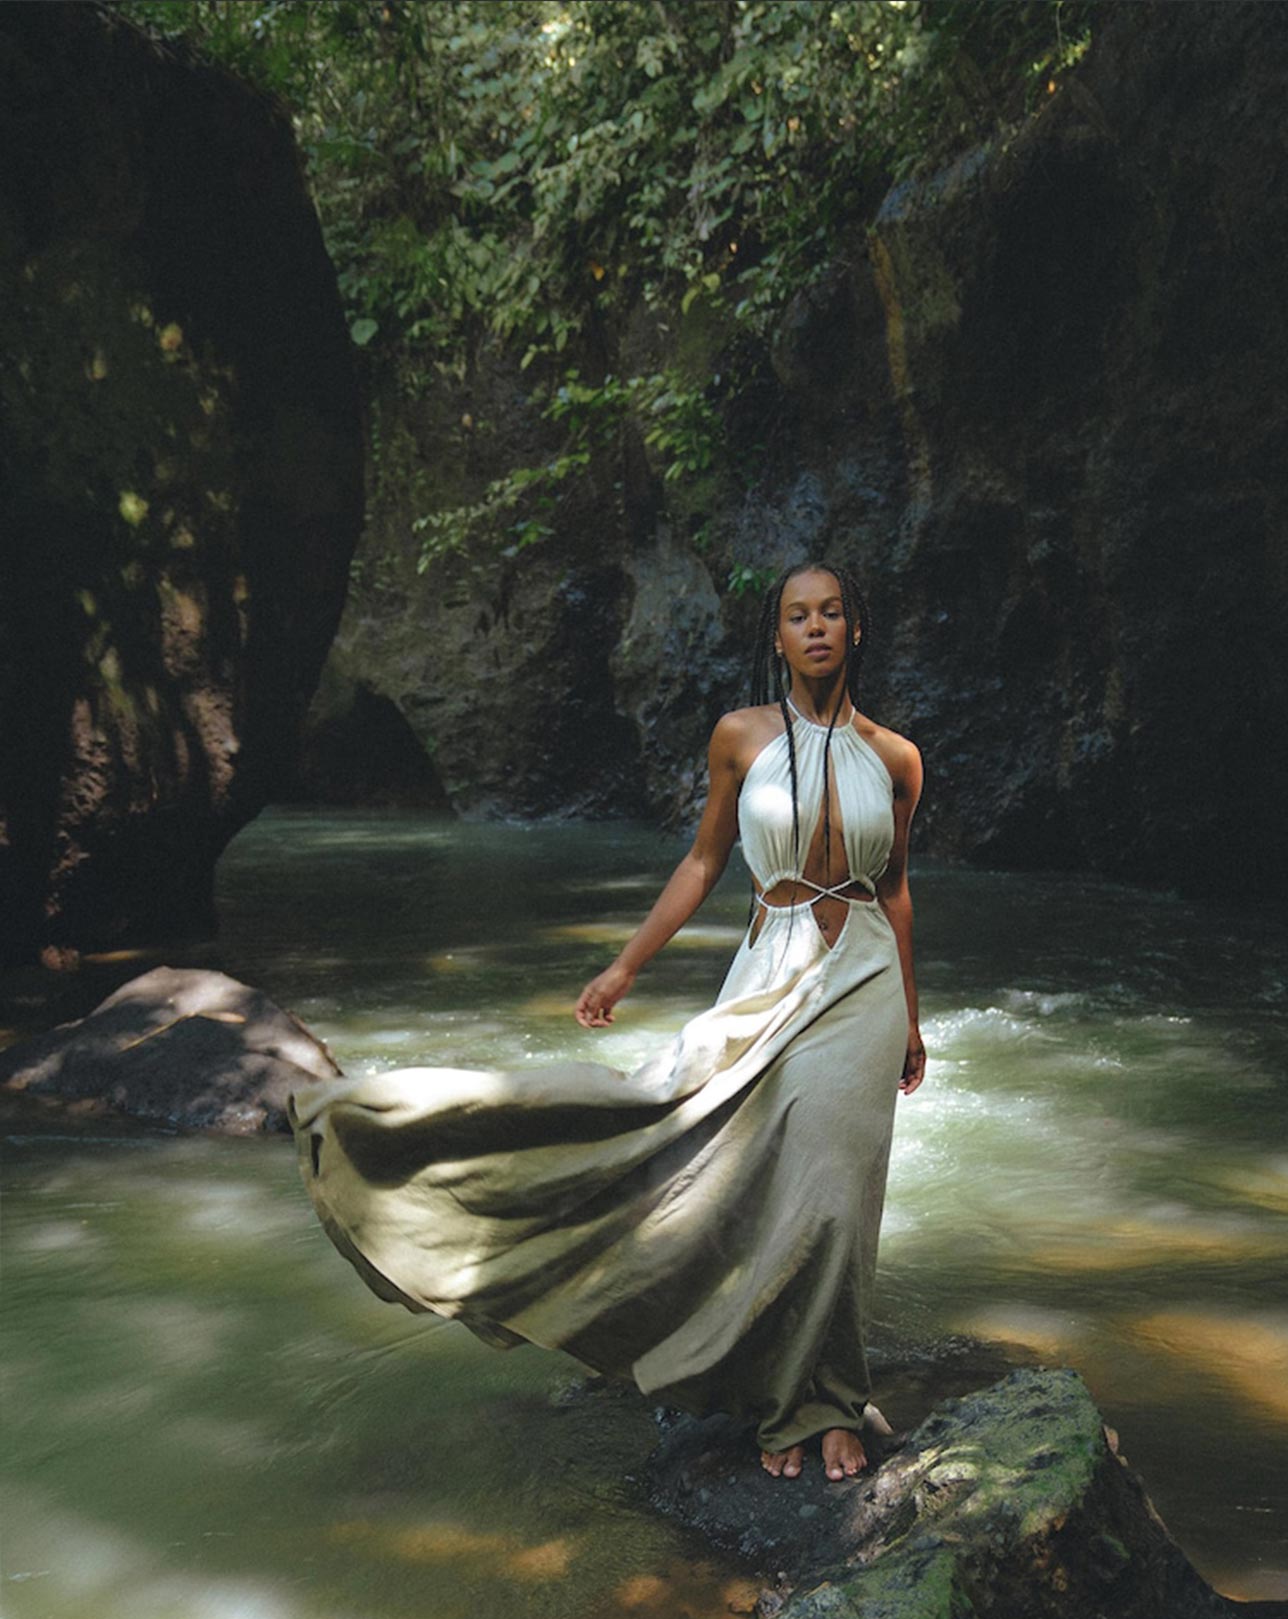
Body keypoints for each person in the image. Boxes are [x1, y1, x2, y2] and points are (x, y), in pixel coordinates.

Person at [288, 560, 924, 1483]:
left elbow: (897, 889)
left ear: (854, 630)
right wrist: (626, 963)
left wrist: (910, 1015)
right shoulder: (739, 738)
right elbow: (703, 863)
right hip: (771, 963)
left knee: (833, 1192)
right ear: (777, 637)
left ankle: (819, 1401)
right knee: (683, 1132)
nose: (816, 628)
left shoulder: (896, 756)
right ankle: (391, 1133)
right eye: (797, 616)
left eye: (831, 613)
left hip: (862, 976)